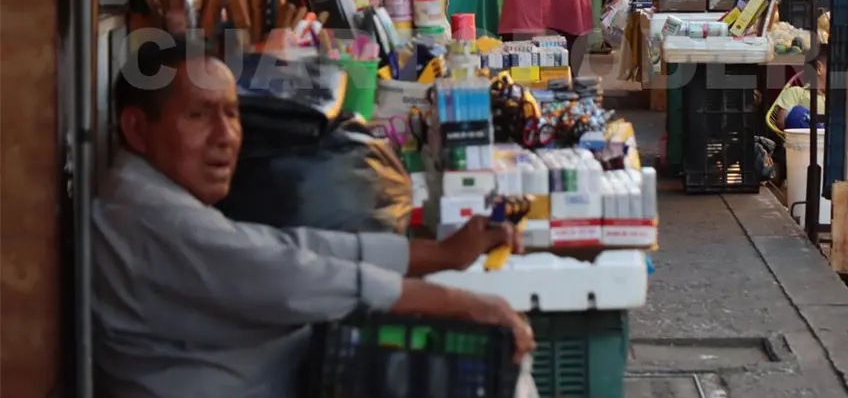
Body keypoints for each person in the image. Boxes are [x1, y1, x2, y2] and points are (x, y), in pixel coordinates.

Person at [95, 39, 535, 398]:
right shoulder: (147, 214)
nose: (225, 137)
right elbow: (293, 276)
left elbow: (289, 250)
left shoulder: (148, 198)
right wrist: (467, 303)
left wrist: (441, 255)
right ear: (137, 128)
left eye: (231, 113)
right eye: (198, 115)